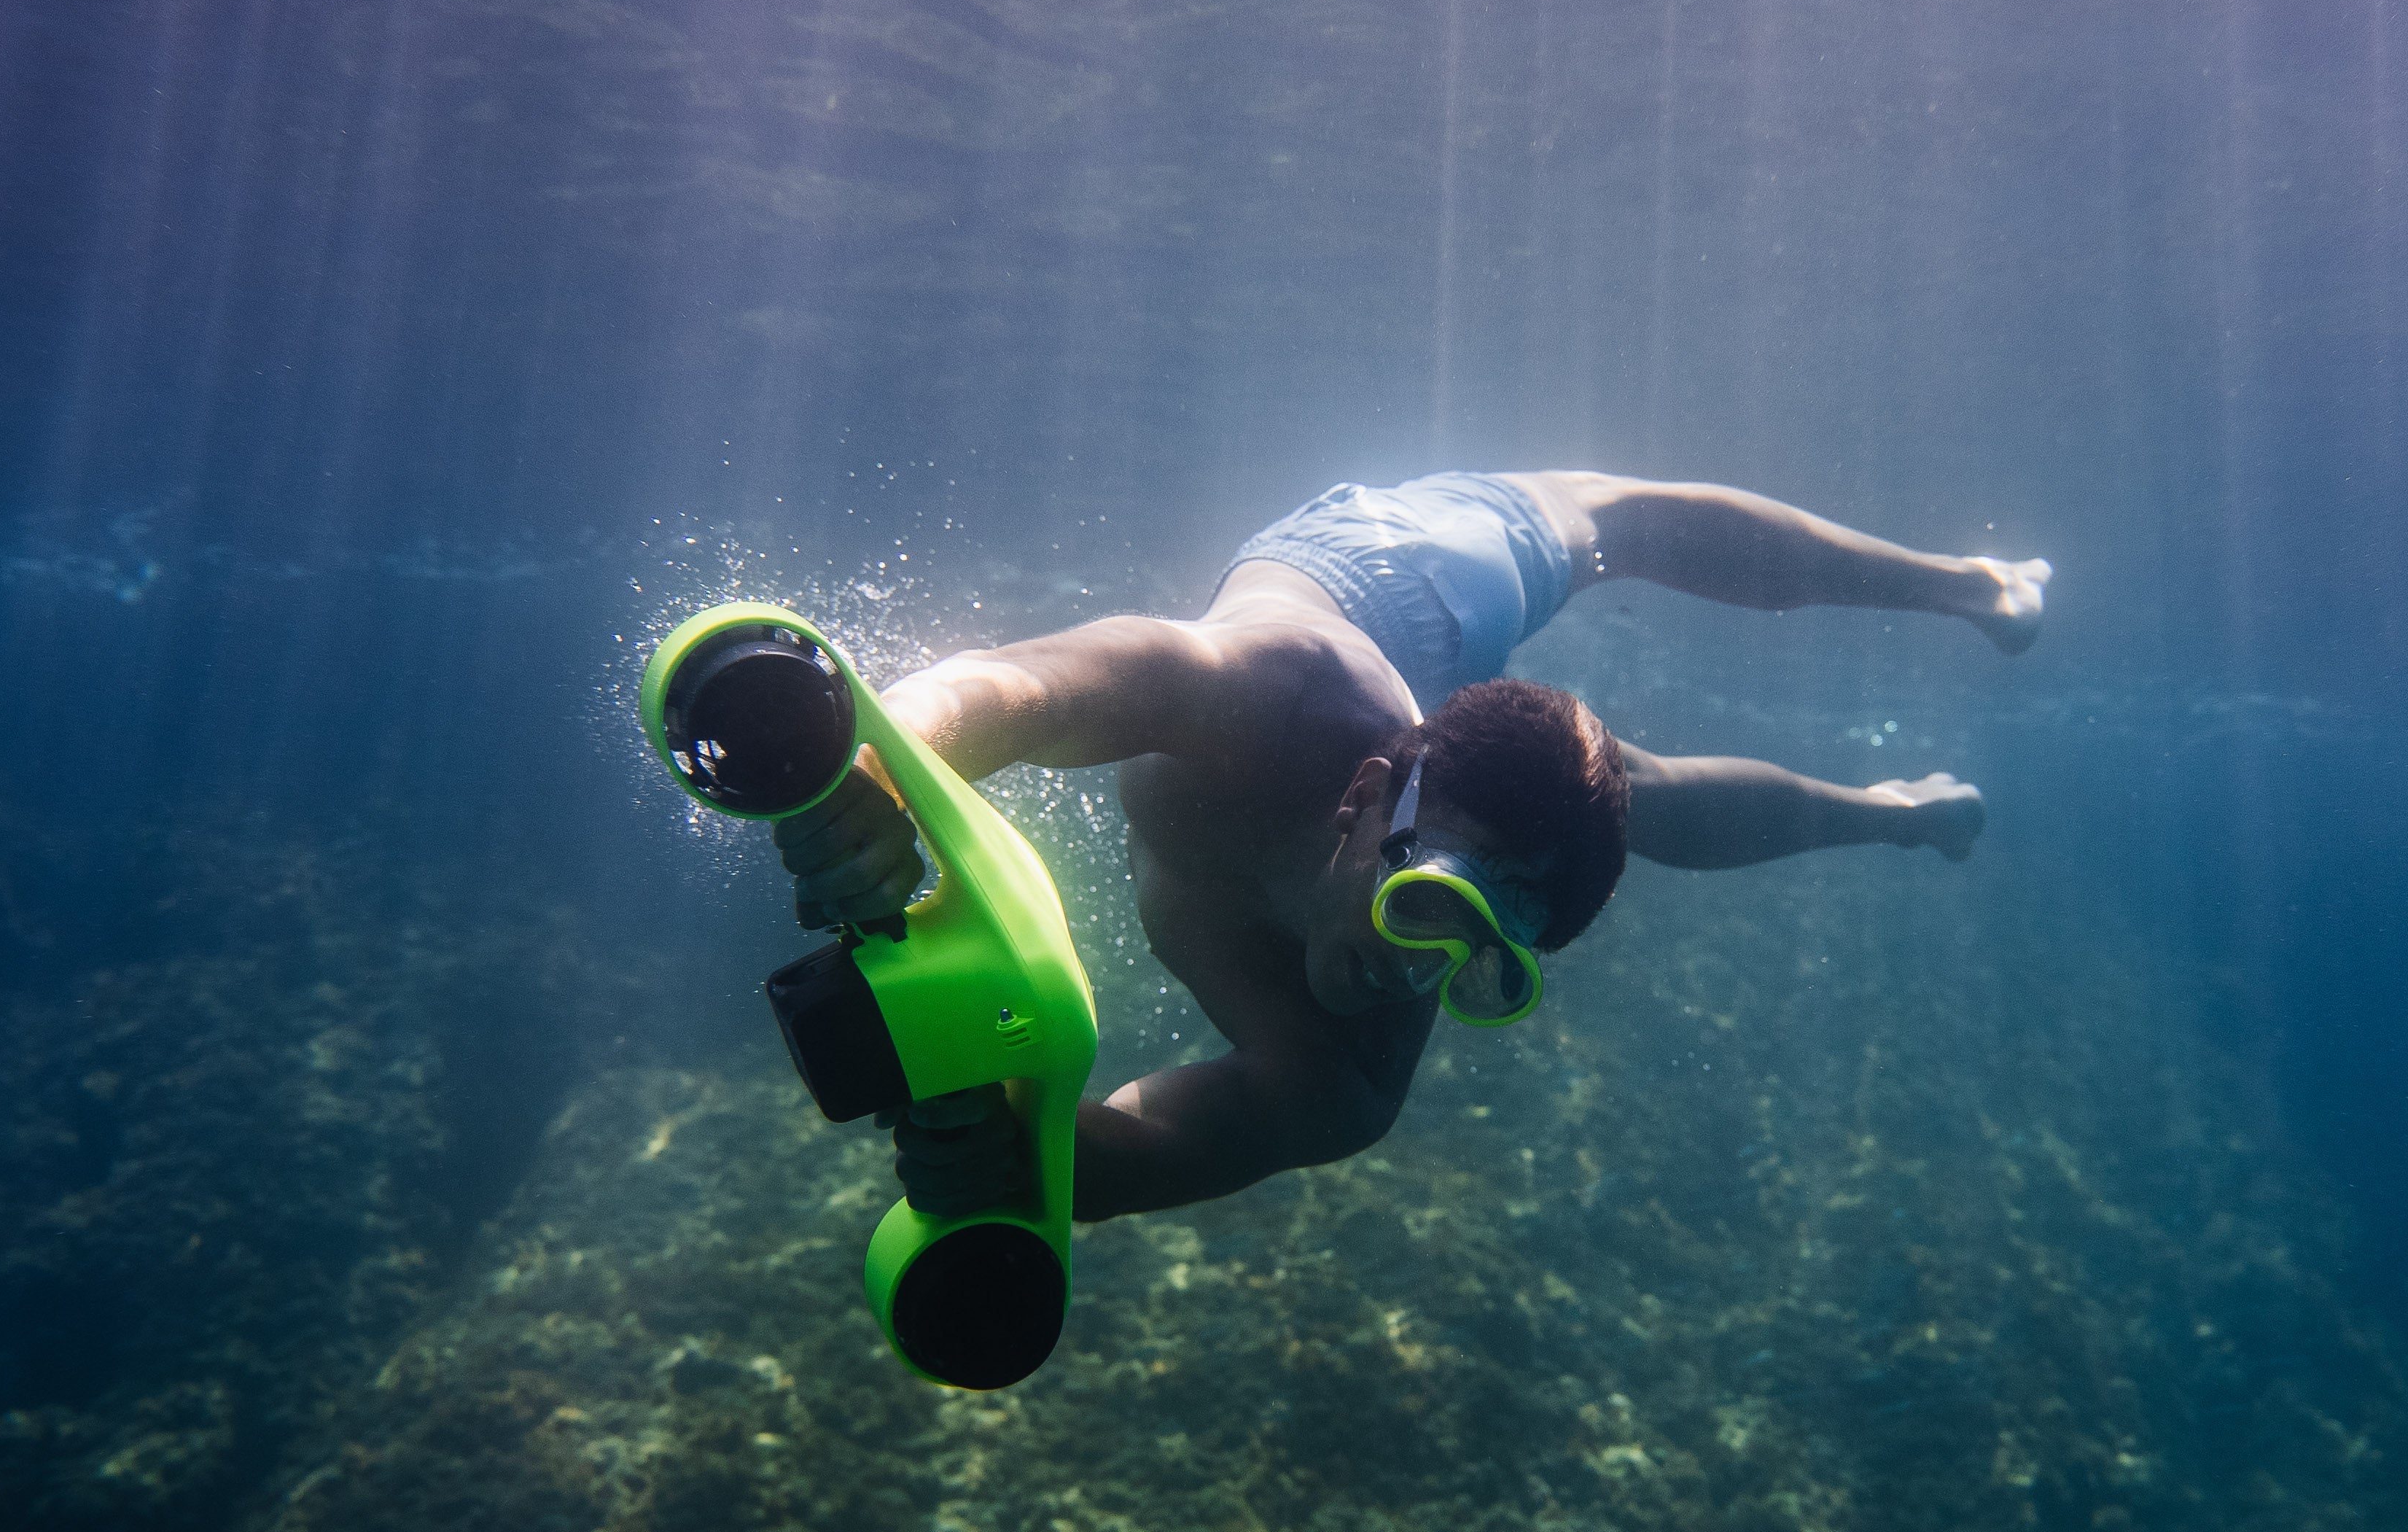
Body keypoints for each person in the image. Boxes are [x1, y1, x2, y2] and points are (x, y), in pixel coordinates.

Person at [773, 472, 2049, 1221]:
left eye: (1488, 957)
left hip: (1440, 736)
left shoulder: (1349, 1081)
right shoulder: (1264, 691)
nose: (1414, 972)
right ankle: (1970, 583)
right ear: (1362, 805)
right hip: (1400, 580)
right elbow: (1022, 690)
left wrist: (1014, 1160)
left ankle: (1900, 808)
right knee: (1614, 519)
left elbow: (1140, 1155)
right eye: (1427, 901)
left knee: (1631, 799)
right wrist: (889, 767)